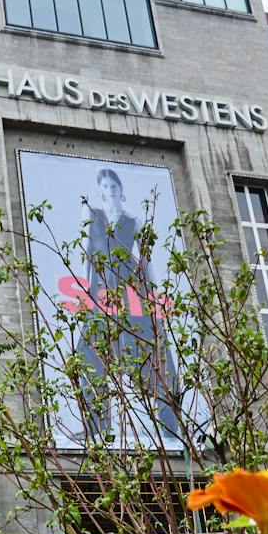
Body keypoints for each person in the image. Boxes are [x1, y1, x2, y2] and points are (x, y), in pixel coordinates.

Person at [76, 168, 181, 441]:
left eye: (113, 185)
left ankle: (170, 425)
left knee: (152, 347)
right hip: (101, 288)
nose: (109, 190)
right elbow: (86, 254)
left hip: (131, 289)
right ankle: (97, 428)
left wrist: (155, 298)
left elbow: (146, 262)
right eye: (105, 185)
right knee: (89, 350)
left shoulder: (133, 220)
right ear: (101, 189)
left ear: (120, 188)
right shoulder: (92, 214)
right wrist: (85, 291)